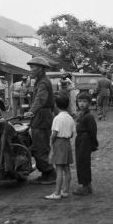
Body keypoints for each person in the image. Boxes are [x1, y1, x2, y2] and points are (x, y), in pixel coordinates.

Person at [26, 56, 56, 184]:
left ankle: (50, 174)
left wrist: (31, 112)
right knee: (39, 146)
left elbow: (40, 99)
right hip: (41, 116)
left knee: (40, 147)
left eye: (33, 67)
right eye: (30, 67)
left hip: (42, 117)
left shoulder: (43, 82)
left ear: (41, 69)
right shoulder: (40, 81)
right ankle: (45, 173)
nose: (31, 70)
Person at [45, 95, 76, 200]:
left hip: (59, 143)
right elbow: (72, 134)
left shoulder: (57, 118)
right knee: (67, 169)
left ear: (56, 105)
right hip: (67, 143)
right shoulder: (70, 118)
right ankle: (65, 191)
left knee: (59, 169)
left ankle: (57, 193)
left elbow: (54, 134)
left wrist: (51, 143)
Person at [73, 92, 98, 196]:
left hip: (85, 140)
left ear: (89, 103)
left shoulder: (89, 117)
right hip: (80, 140)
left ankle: (85, 186)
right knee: (80, 162)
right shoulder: (81, 114)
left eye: (84, 101)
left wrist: (93, 144)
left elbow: (93, 131)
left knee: (83, 163)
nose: (81, 104)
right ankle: (87, 186)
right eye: (79, 101)